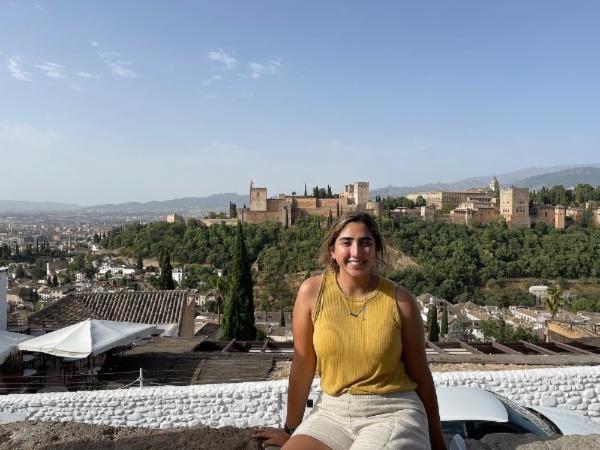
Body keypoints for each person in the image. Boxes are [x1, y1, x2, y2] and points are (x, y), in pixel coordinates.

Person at [253, 212, 445, 449]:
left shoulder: (400, 301)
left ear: (375, 250)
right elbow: (302, 366)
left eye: (365, 243)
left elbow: (421, 376)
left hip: (392, 411)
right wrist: (291, 431)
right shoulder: (312, 293)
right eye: (346, 242)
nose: (356, 252)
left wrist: (438, 442)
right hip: (331, 412)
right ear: (333, 250)